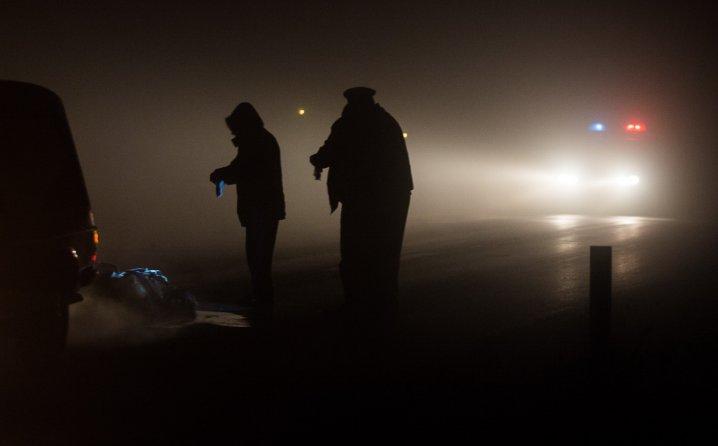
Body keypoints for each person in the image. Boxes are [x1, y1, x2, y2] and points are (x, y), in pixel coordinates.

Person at [310, 87, 413, 307]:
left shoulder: (350, 123)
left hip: (363, 197)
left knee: (355, 251)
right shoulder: (386, 121)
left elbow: (330, 152)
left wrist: (316, 160)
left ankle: (358, 302)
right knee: (386, 250)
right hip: (395, 194)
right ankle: (385, 300)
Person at [210, 103, 285, 304]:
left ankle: (262, 299)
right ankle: (262, 296)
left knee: (257, 256)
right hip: (266, 206)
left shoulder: (255, 142)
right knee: (260, 257)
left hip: (260, 207)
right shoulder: (262, 139)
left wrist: (220, 175)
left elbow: (243, 169)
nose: (233, 131)